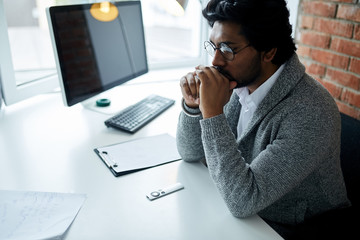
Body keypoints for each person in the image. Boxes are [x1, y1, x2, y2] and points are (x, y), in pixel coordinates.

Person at [176, 0, 350, 238]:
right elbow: (189, 152)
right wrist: (193, 106)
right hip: (245, 216)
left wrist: (213, 114)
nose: (215, 61)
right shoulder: (237, 82)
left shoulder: (311, 110)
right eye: (213, 46)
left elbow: (242, 201)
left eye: (227, 49)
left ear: (268, 51)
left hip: (295, 228)